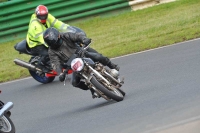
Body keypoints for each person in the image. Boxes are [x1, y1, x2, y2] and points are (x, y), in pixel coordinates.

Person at [43, 27, 119, 97]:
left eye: (55, 42)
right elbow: (55, 63)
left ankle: (112, 66)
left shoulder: (65, 36)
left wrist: (84, 39)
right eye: (52, 44)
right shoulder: (51, 51)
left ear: (58, 36)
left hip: (82, 53)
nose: (55, 45)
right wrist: (60, 73)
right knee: (74, 82)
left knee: (98, 56)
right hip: (73, 64)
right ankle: (92, 88)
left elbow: (77, 36)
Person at [26, 5, 71, 71]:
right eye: (41, 16)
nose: (43, 18)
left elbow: (58, 24)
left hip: (48, 36)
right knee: (50, 53)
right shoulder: (35, 25)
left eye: (44, 15)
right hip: (36, 44)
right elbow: (43, 40)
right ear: (36, 15)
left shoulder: (48, 17)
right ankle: (40, 64)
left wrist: (69, 29)